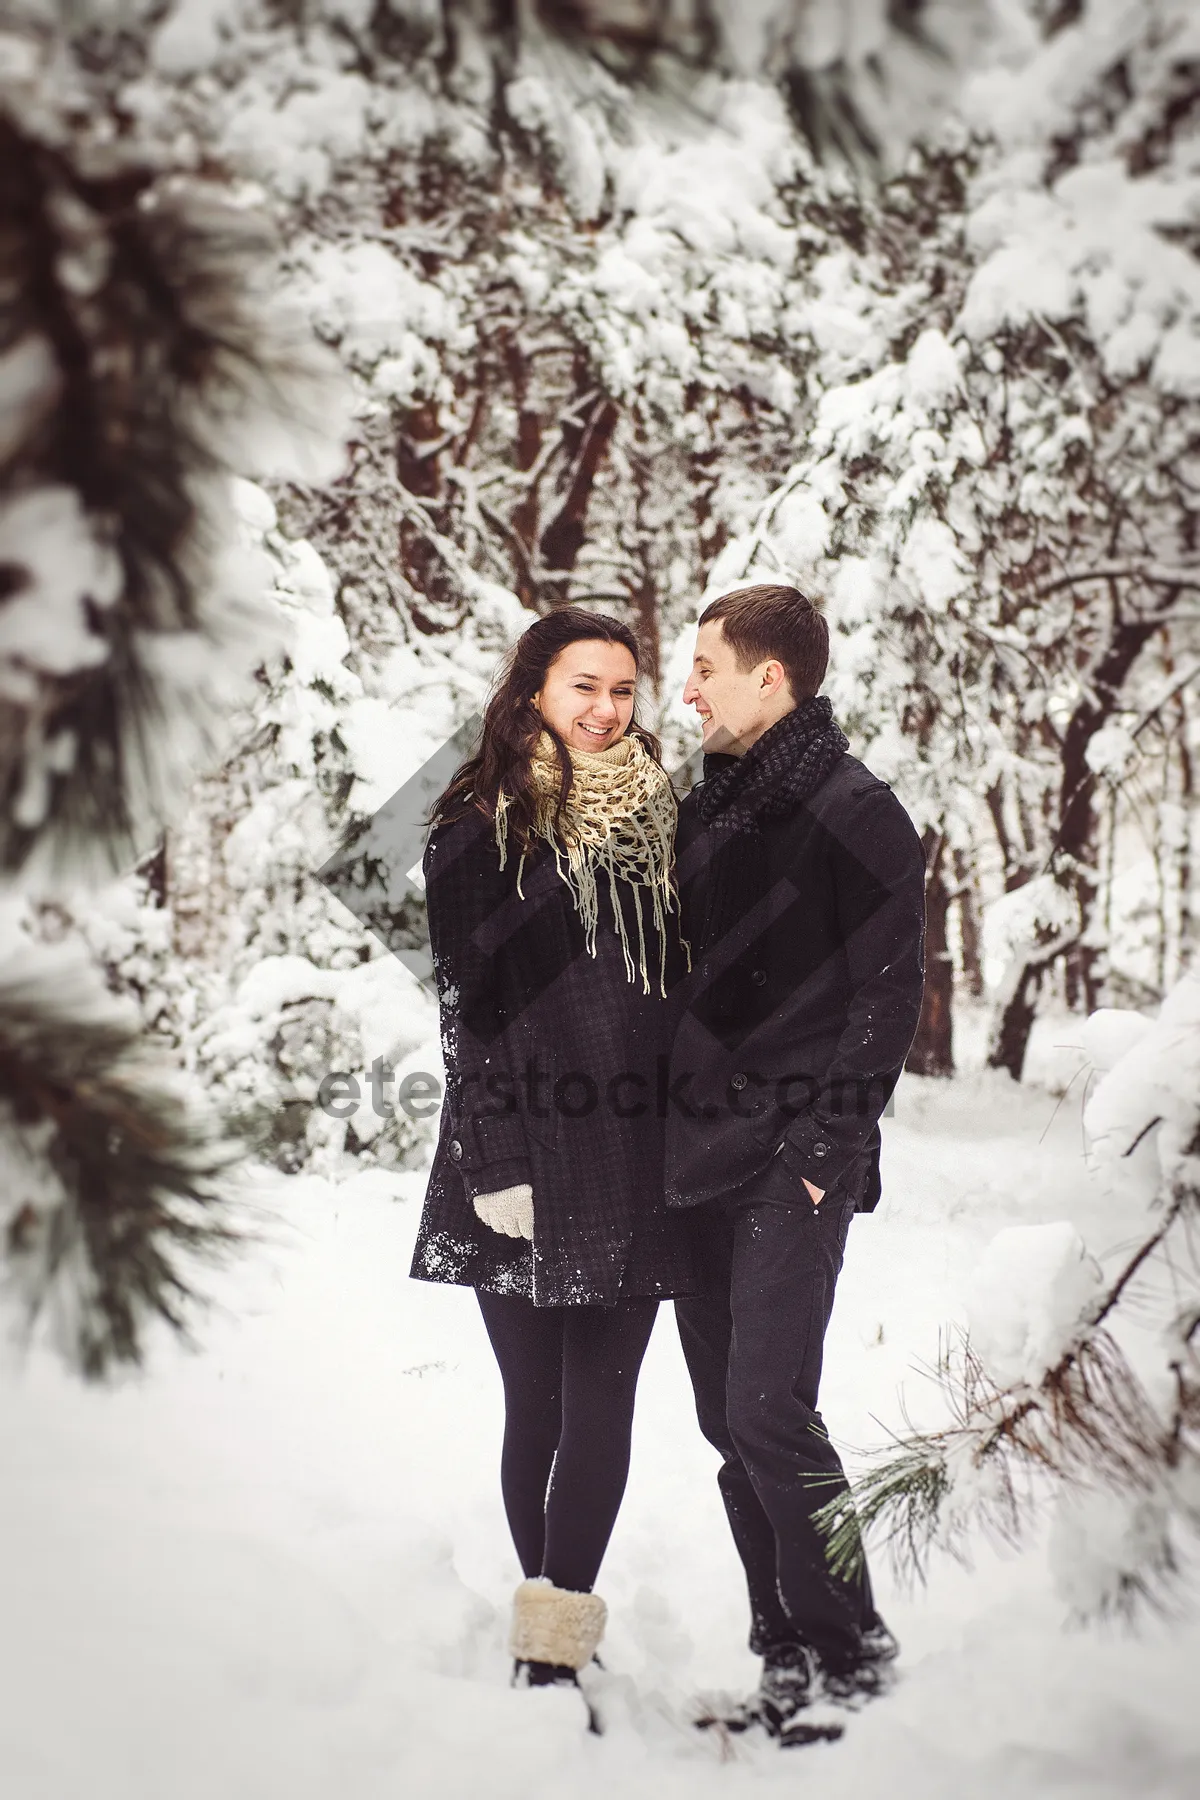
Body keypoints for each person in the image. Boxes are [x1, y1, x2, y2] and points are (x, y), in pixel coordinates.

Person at [410, 606, 698, 1726]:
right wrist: (497, 1158)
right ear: (533, 688)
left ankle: (555, 1637)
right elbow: (469, 1015)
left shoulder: (664, 816)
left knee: (603, 1406)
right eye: (584, 686)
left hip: (635, 1151)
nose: (605, 709)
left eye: (623, 689)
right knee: (534, 1404)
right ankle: (547, 1648)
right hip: (520, 1149)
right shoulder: (477, 829)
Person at [665, 584, 927, 1746]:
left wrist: (827, 1149)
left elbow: (890, 997)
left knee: (771, 1411)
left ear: (772, 679)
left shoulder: (858, 810)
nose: (689, 689)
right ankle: (784, 1651)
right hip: (695, 1152)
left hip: (792, 1160)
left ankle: (852, 1652)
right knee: (733, 1425)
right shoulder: (708, 801)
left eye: (707, 666)